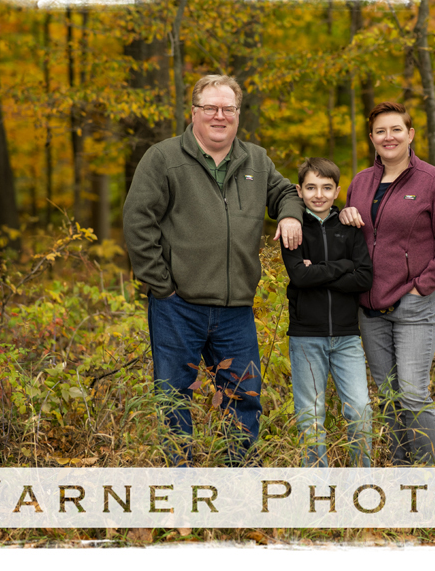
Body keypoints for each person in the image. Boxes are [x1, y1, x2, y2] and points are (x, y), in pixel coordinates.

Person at [123, 74, 304, 466]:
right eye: (211, 108)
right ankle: (180, 484)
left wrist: (290, 217)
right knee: (174, 398)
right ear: (194, 113)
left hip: (235, 308)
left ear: (238, 114)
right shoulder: (164, 158)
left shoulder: (255, 159)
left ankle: (237, 483)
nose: (219, 116)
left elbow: (287, 192)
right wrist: (162, 285)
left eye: (228, 109)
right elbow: (138, 222)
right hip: (177, 306)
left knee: (243, 397)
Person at [340, 101, 435, 466]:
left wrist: (422, 286)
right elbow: (352, 239)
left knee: (412, 393)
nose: (389, 137)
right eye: (381, 131)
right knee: (389, 396)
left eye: (396, 129)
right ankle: (400, 470)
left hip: (413, 306)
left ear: (410, 134)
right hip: (370, 307)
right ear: (372, 138)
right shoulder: (361, 182)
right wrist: (345, 215)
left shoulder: (432, 180)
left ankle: (428, 479)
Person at [281, 158, 374, 467]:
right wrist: (343, 267)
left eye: (326, 188)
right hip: (306, 338)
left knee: (359, 409)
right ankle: (317, 485)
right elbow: (300, 277)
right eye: (310, 187)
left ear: (337, 192)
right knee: (311, 415)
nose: (318, 194)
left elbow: (363, 278)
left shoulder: (350, 228)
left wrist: (321, 270)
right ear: (299, 190)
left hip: (347, 337)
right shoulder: (293, 229)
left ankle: (362, 479)